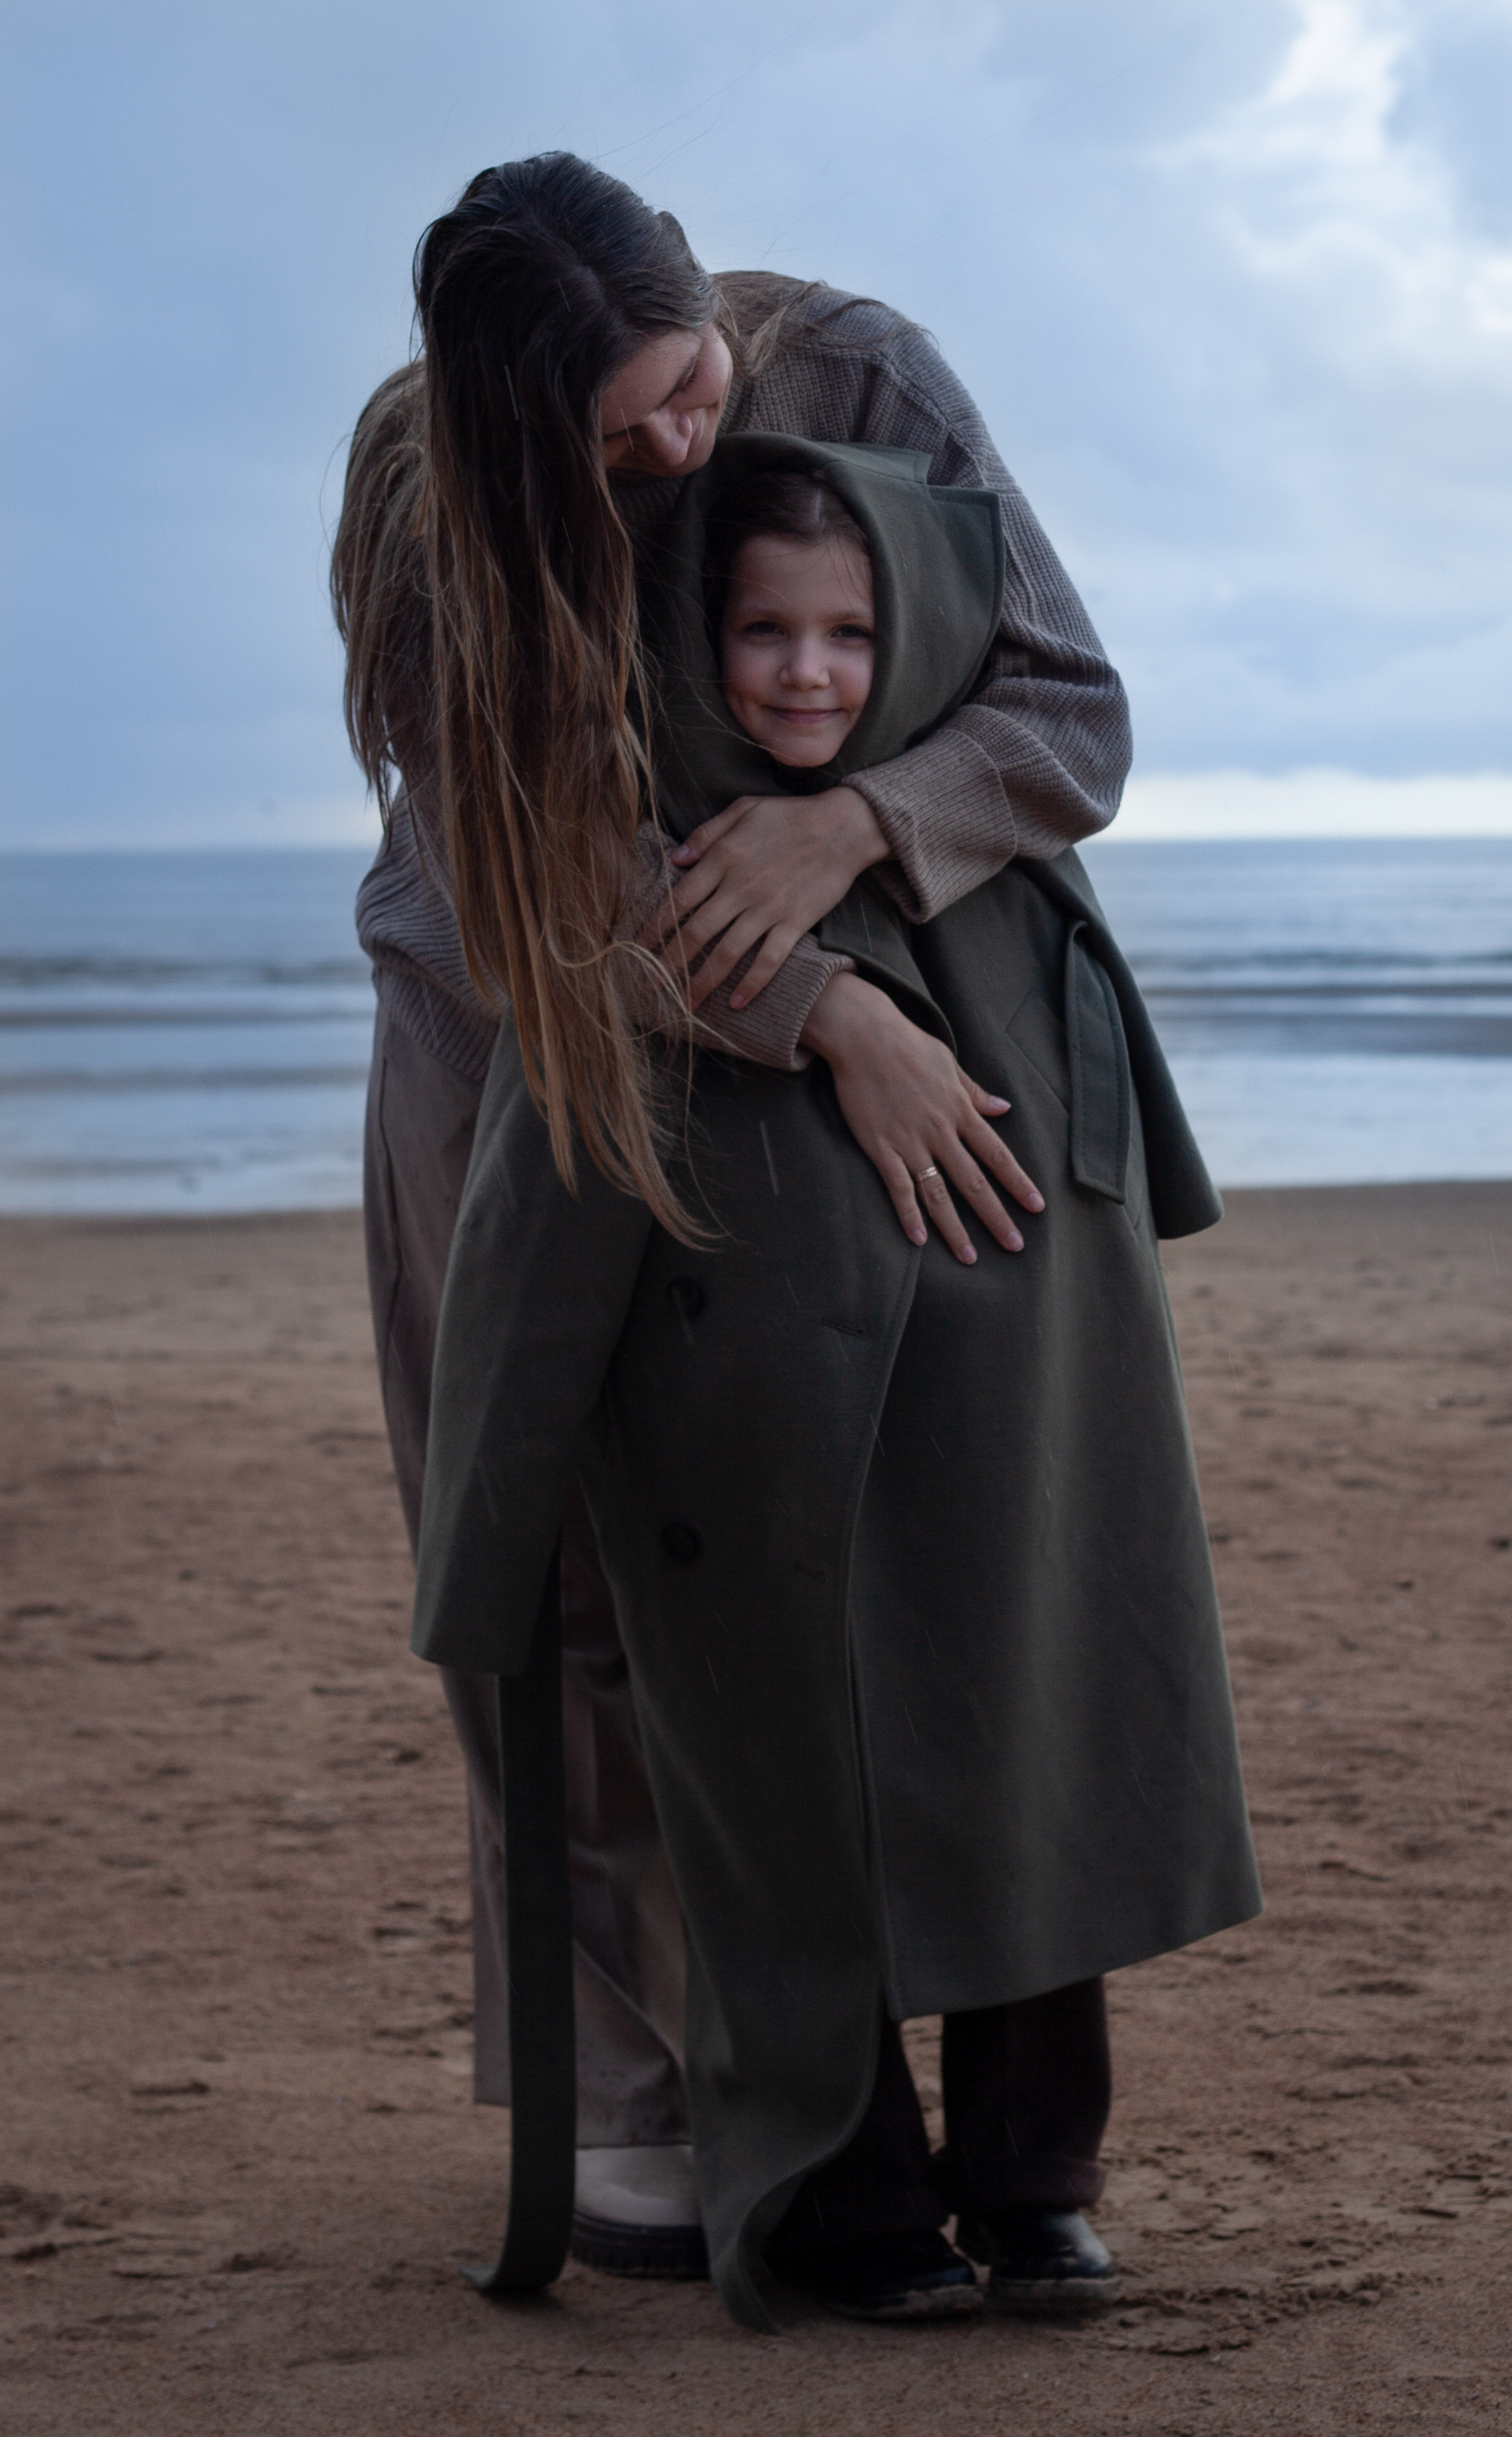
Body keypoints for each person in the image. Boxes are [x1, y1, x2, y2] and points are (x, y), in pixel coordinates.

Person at [335, 148, 1221, 2300]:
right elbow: (519, 876)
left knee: (927, 1564)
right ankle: (634, 2098)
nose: (673, 446)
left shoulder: (853, 370)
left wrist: (850, 833)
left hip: (854, 977)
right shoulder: (424, 500)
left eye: (684, 386)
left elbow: (1064, 712)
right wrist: (821, 1016)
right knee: (548, 1587)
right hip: (519, 1021)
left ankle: (930, 2129)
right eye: (616, 432)